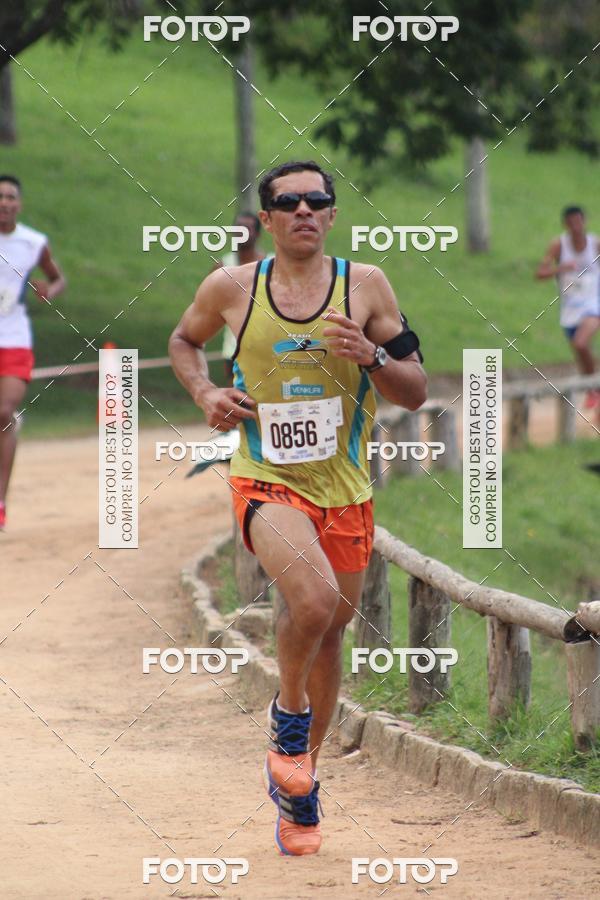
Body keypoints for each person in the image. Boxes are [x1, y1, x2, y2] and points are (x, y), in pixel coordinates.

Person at [169, 160, 427, 856]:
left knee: (331, 631)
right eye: (290, 202)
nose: (305, 211)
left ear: (333, 214)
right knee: (310, 603)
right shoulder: (230, 288)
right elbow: (183, 341)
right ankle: (288, 720)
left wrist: (370, 354)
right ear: (269, 219)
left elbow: (415, 390)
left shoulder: (366, 285)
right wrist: (205, 395)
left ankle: (298, 788)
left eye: (318, 200)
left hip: (346, 489)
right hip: (264, 477)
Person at [0, 175, 66, 530]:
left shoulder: (33, 242)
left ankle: (0, 501)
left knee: (4, 411)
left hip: (13, 338)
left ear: (19, 204)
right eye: (0, 196)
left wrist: (49, 292)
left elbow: (58, 278)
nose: (6, 202)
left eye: (11, 196)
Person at [536, 206, 600, 409]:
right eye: (571, 223)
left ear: (585, 221)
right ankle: (594, 388)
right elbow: (540, 273)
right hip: (570, 309)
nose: (576, 227)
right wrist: (559, 268)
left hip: (592, 305)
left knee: (581, 343)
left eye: (579, 222)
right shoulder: (558, 246)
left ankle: (594, 389)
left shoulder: (595, 244)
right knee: (579, 349)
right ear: (565, 225)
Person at [212, 212, 266, 383]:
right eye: (238, 227)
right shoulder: (223, 266)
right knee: (235, 398)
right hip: (232, 347)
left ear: (257, 233)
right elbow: (208, 306)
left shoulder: (271, 264)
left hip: (265, 345)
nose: (241, 232)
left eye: (247, 228)